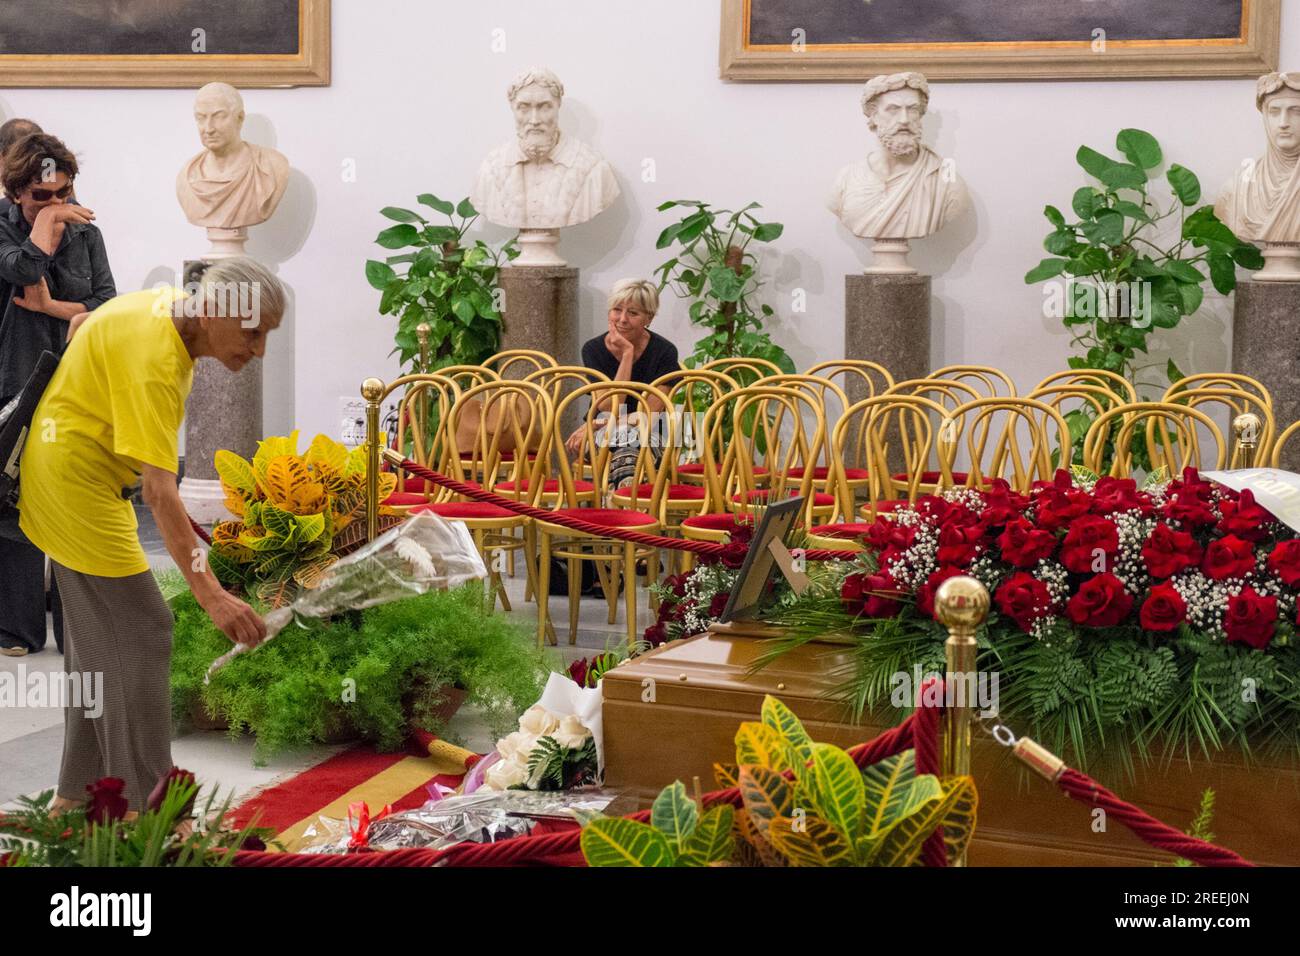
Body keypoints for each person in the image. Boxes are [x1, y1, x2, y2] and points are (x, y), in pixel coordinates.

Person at [18, 257, 281, 813]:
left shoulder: (162, 308)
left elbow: (87, 325)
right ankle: (154, 813)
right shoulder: (158, 358)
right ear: (212, 311)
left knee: (94, 654)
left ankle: (78, 800)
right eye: (254, 333)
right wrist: (212, 595)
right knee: (144, 631)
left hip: (69, 476)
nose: (259, 351)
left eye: (267, 337)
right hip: (75, 487)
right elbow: (160, 494)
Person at [0, 132, 113, 657]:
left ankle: (79, 632)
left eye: (62, 195)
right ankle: (17, 630)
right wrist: (47, 224)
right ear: (15, 192)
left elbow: (106, 306)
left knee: (73, 492)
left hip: (74, 376)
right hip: (13, 376)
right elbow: (21, 270)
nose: (54, 206)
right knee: (12, 496)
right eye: (40, 198)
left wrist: (50, 309)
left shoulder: (87, 233)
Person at [567, 279, 679, 487]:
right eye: (617, 310)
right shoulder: (593, 349)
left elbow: (649, 417)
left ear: (649, 318)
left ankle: (614, 508)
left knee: (629, 447)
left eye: (633, 313)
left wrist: (595, 423)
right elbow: (610, 407)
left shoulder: (664, 351)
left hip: (649, 433)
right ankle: (630, 512)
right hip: (602, 435)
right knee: (626, 447)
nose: (623, 319)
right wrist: (627, 354)